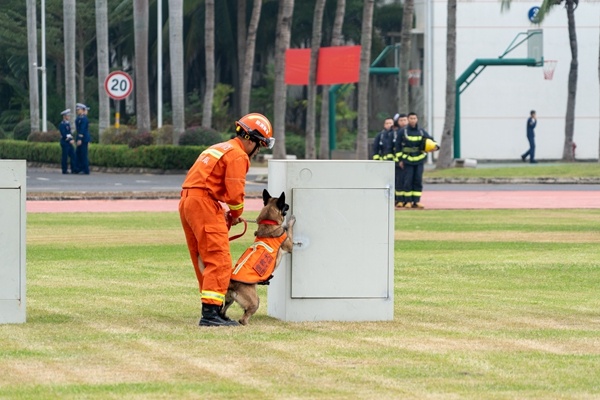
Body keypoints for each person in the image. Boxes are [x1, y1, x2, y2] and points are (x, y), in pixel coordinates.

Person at [179, 112, 275, 327]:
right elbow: (234, 195)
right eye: (259, 145)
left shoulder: (218, 148)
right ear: (250, 139)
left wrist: (224, 213)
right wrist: (235, 214)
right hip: (203, 204)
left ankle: (213, 309)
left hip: (189, 201)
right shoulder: (238, 155)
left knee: (202, 258)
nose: (257, 151)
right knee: (219, 259)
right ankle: (211, 315)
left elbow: (206, 183)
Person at [397, 112, 435, 209]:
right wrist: (400, 160)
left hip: (419, 160)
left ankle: (416, 201)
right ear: (408, 119)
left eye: (414, 118)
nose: (413, 120)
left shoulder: (421, 131)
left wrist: (435, 146)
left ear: (417, 119)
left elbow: (430, 140)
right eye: (411, 118)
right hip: (407, 160)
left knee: (417, 180)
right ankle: (408, 201)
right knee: (407, 181)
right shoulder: (403, 132)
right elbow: (397, 147)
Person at [392, 113, 408, 207]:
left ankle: (409, 201)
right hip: (399, 162)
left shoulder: (414, 132)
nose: (403, 122)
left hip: (411, 162)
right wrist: (399, 160)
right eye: (401, 120)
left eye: (405, 120)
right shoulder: (394, 133)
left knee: (409, 181)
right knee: (399, 181)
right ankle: (399, 200)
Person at [58, 109, 78, 174]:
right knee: (65, 156)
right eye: (68, 116)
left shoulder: (67, 124)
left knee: (73, 155)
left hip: (69, 142)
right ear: (64, 116)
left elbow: (69, 133)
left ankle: (74, 168)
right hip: (65, 142)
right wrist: (69, 140)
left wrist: (71, 139)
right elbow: (64, 134)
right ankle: (64, 169)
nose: (69, 117)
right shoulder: (62, 124)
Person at [75, 103, 91, 174]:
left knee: (83, 154)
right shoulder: (79, 118)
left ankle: (85, 169)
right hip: (80, 138)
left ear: (82, 110)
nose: (77, 111)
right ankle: (79, 168)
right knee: (78, 153)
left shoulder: (84, 119)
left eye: (79, 110)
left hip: (83, 139)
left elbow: (82, 129)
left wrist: (79, 139)